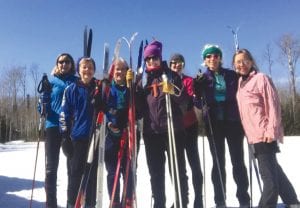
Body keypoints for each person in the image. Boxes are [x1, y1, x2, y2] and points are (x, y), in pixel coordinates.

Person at [233, 48, 300, 208]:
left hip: (264, 134)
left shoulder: (261, 78)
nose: (241, 64)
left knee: (269, 181)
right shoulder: (241, 83)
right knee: (275, 171)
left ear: (251, 61)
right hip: (253, 136)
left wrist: (271, 130)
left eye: (244, 60)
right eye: (238, 62)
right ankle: (292, 201)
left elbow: (273, 104)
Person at [193, 44, 250, 207]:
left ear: (220, 58)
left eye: (216, 56)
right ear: (204, 60)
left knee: (237, 160)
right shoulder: (203, 78)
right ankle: (220, 200)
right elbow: (197, 102)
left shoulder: (232, 75)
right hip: (213, 123)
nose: (212, 59)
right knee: (218, 162)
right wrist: (197, 91)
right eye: (209, 56)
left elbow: (244, 86)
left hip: (233, 121)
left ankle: (243, 198)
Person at [135, 40, 189, 208]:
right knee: (156, 173)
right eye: (148, 59)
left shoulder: (170, 75)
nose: (152, 61)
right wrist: (133, 90)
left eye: (155, 58)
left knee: (177, 170)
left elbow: (184, 101)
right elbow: (138, 110)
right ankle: (159, 203)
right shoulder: (143, 80)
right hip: (151, 133)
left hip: (172, 130)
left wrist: (172, 89)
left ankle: (181, 202)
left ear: (160, 57)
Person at [59, 57, 103, 208]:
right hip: (76, 140)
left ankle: (90, 205)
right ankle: (72, 204)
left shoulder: (98, 88)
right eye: (84, 67)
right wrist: (65, 137)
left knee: (91, 179)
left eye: (90, 67)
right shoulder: (71, 89)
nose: (87, 70)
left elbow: (107, 106)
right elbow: (64, 114)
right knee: (75, 177)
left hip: (95, 139)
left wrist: (100, 101)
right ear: (78, 70)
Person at [37, 53, 77, 208]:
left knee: (72, 167)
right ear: (57, 64)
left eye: (67, 61)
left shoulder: (76, 81)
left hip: (71, 127)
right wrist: (44, 100)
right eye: (61, 61)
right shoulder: (51, 81)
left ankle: (71, 202)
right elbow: (41, 108)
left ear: (71, 64)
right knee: (51, 168)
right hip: (53, 125)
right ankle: (51, 204)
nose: (64, 64)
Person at [169, 53, 203, 208]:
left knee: (194, 163)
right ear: (170, 65)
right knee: (178, 166)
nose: (177, 65)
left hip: (189, 125)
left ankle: (198, 198)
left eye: (179, 62)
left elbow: (190, 99)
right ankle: (181, 199)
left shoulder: (188, 80)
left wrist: (198, 93)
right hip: (174, 128)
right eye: (174, 63)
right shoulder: (166, 81)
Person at [104, 58, 134, 208]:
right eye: (117, 69)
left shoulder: (131, 88)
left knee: (128, 169)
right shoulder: (108, 88)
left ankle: (128, 201)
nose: (119, 72)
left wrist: (132, 86)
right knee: (111, 172)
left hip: (128, 133)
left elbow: (137, 108)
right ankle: (114, 201)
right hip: (111, 135)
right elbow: (103, 107)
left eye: (122, 69)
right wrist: (110, 121)